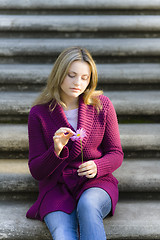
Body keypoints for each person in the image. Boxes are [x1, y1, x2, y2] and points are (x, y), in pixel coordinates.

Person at [26, 46, 124, 240]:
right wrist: (55, 150)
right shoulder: (39, 114)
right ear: (59, 74)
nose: (77, 83)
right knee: (63, 234)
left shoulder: (101, 105)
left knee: (88, 206)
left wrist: (98, 165)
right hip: (56, 188)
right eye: (71, 75)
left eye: (84, 77)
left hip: (96, 183)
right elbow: (36, 171)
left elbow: (116, 153)